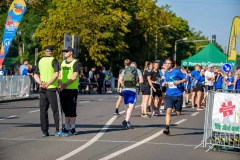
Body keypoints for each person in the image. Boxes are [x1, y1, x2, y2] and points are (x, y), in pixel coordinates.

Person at [34, 46, 67, 137]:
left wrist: (40, 83)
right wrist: (48, 83)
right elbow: (56, 74)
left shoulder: (40, 61)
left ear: (45, 52)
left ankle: (44, 131)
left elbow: (35, 74)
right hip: (51, 88)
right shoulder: (54, 60)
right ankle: (58, 131)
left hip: (42, 88)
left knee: (43, 110)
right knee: (57, 110)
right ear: (52, 52)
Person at [162, 57, 186, 135]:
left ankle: (177, 110)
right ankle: (167, 128)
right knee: (168, 111)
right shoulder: (166, 72)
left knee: (178, 113)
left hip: (178, 94)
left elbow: (185, 79)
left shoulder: (177, 71)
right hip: (169, 94)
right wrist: (164, 83)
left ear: (172, 64)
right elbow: (167, 81)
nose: (167, 64)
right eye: (166, 63)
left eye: (169, 63)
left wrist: (179, 81)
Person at [58, 47, 79, 135]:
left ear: (71, 52)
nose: (65, 53)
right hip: (63, 89)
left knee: (72, 109)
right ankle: (66, 127)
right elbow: (59, 75)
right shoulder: (62, 62)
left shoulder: (75, 62)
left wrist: (64, 85)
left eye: (66, 51)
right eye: (64, 51)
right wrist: (60, 84)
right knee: (65, 109)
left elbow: (74, 76)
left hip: (72, 89)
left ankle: (73, 127)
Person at [118, 60, 143, 129]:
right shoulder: (137, 70)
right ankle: (126, 121)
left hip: (125, 90)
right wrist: (136, 82)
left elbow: (120, 80)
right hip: (132, 90)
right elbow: (141, 80)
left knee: (127, 105)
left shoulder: (124, 70)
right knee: (131, 106)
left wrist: (125, 83)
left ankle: (127, 120)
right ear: (136, 66)